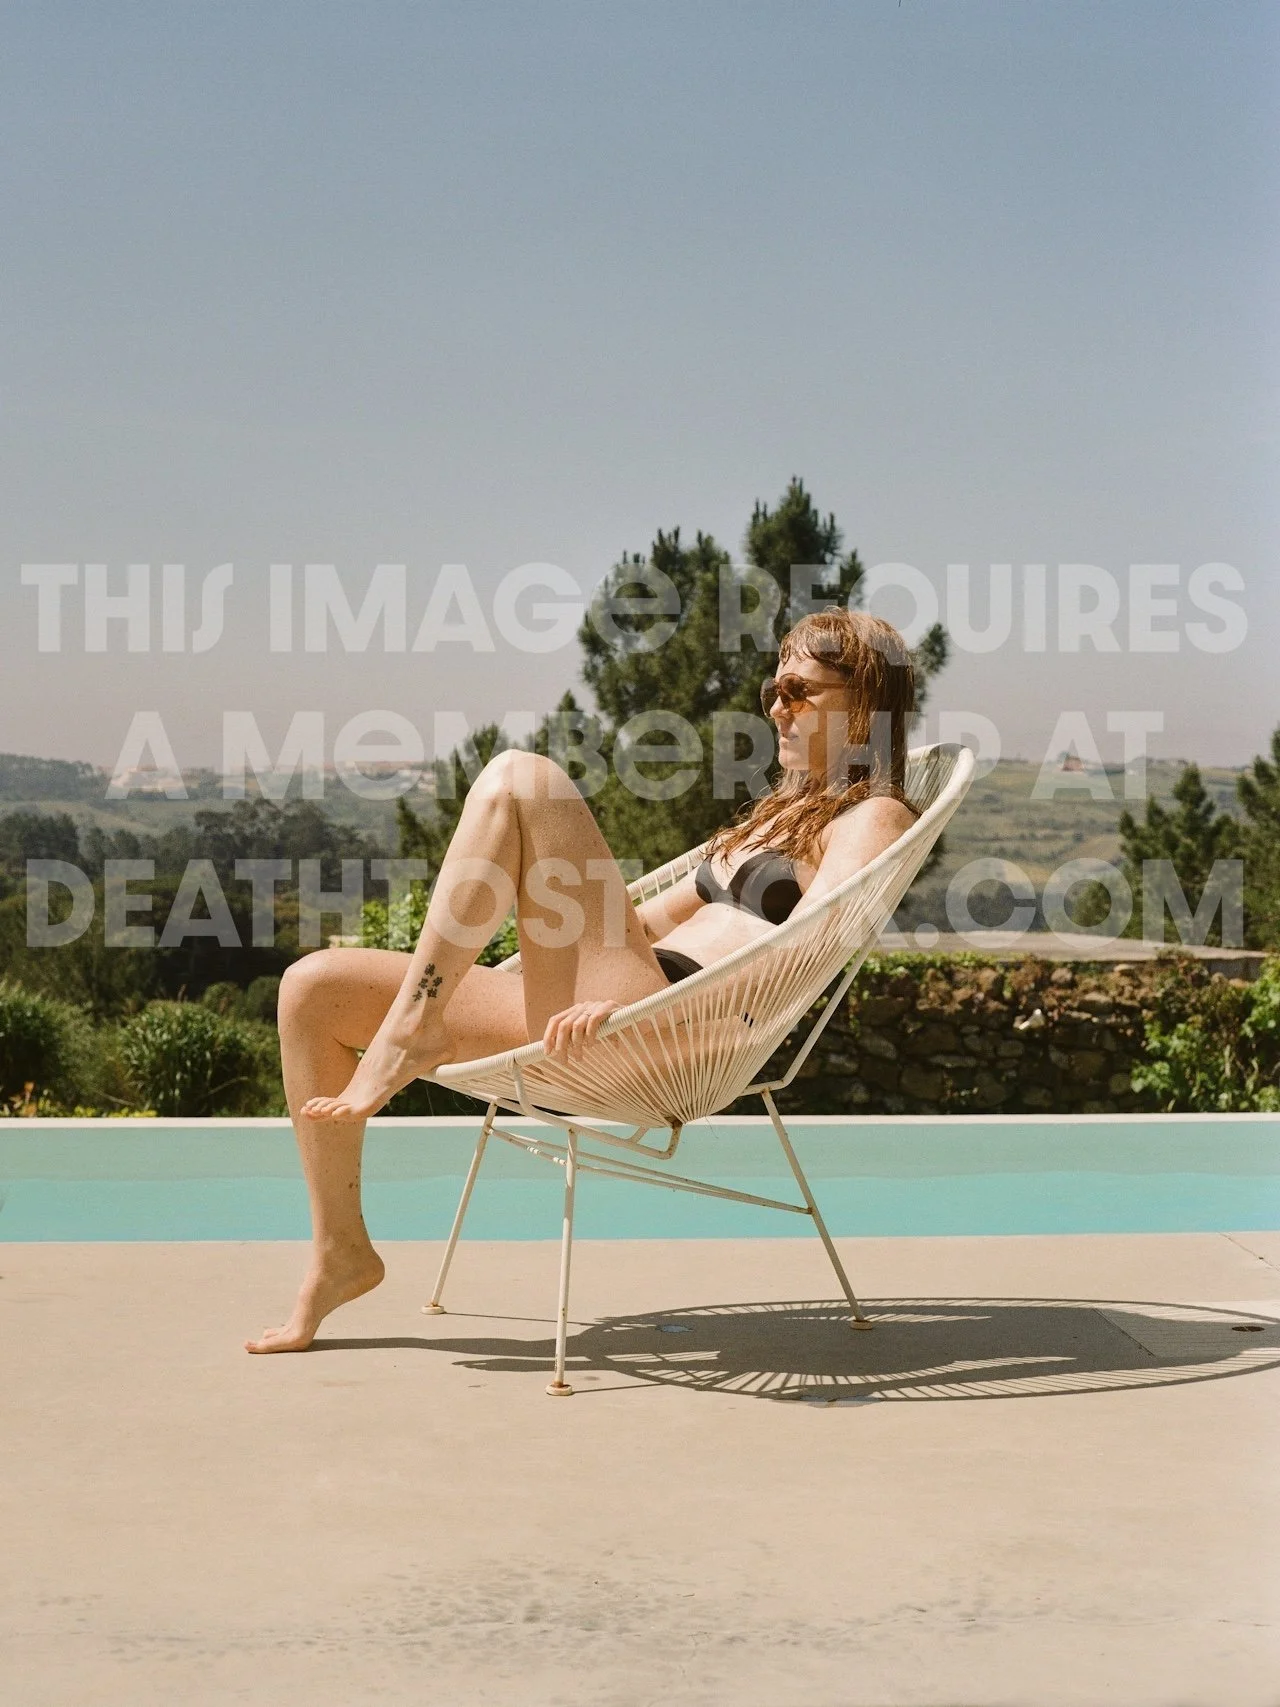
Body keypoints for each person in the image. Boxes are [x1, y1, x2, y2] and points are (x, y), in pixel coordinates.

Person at [245, 608, 919, 1352]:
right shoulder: (778, 818)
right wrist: (535, 956)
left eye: (797, 689)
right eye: (772, 688)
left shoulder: (872, 816)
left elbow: (792, 964)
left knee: (520, 777)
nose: (776, 707)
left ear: (863, 703)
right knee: (312, 988)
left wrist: (647, 1010)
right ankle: (341, 1252)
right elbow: (646, 923)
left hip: (664, 1028)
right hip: (613, 1000)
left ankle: (411, 1028)